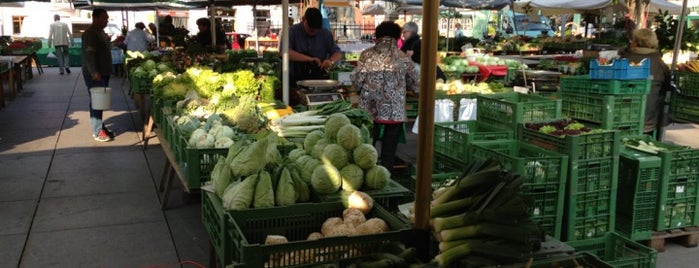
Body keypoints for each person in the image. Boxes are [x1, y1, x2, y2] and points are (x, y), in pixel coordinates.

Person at [351, 21, 418, 173]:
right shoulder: (404, 58)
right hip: (394, 113)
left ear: (377, 35)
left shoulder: (366, 55)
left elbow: (357, 80)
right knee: (389, 150)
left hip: (369, 110)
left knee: (367, 148)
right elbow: (415, 82)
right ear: (397, 37)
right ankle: (385, 177)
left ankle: (365, 175)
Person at [619, 28, 671, 135]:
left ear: (636, 42)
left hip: (620, 119)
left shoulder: (623, 60)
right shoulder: (660, 64)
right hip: (648, 121)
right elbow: (666, 87)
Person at [286, 7, 342, 104]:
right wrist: (309, 59)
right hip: (295, 81)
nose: (314, 31)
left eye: (316, 29)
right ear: (304, 20)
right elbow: (285, 53)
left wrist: (330, 61)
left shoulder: (325, 34)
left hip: (319, 81)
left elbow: (337, 52)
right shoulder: (291, 32)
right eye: (311, 28)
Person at [82, 8, 114, 142]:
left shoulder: (99, 31)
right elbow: (89, 54)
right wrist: (94, 71)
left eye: (107, 18)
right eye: (104, 18)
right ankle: (97, 131)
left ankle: (101, 127)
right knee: (96, 102)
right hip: (95, 74)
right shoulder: (91, 33)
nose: (106, 20)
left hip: (103, 72)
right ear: (95, 18)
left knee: (100, 102)